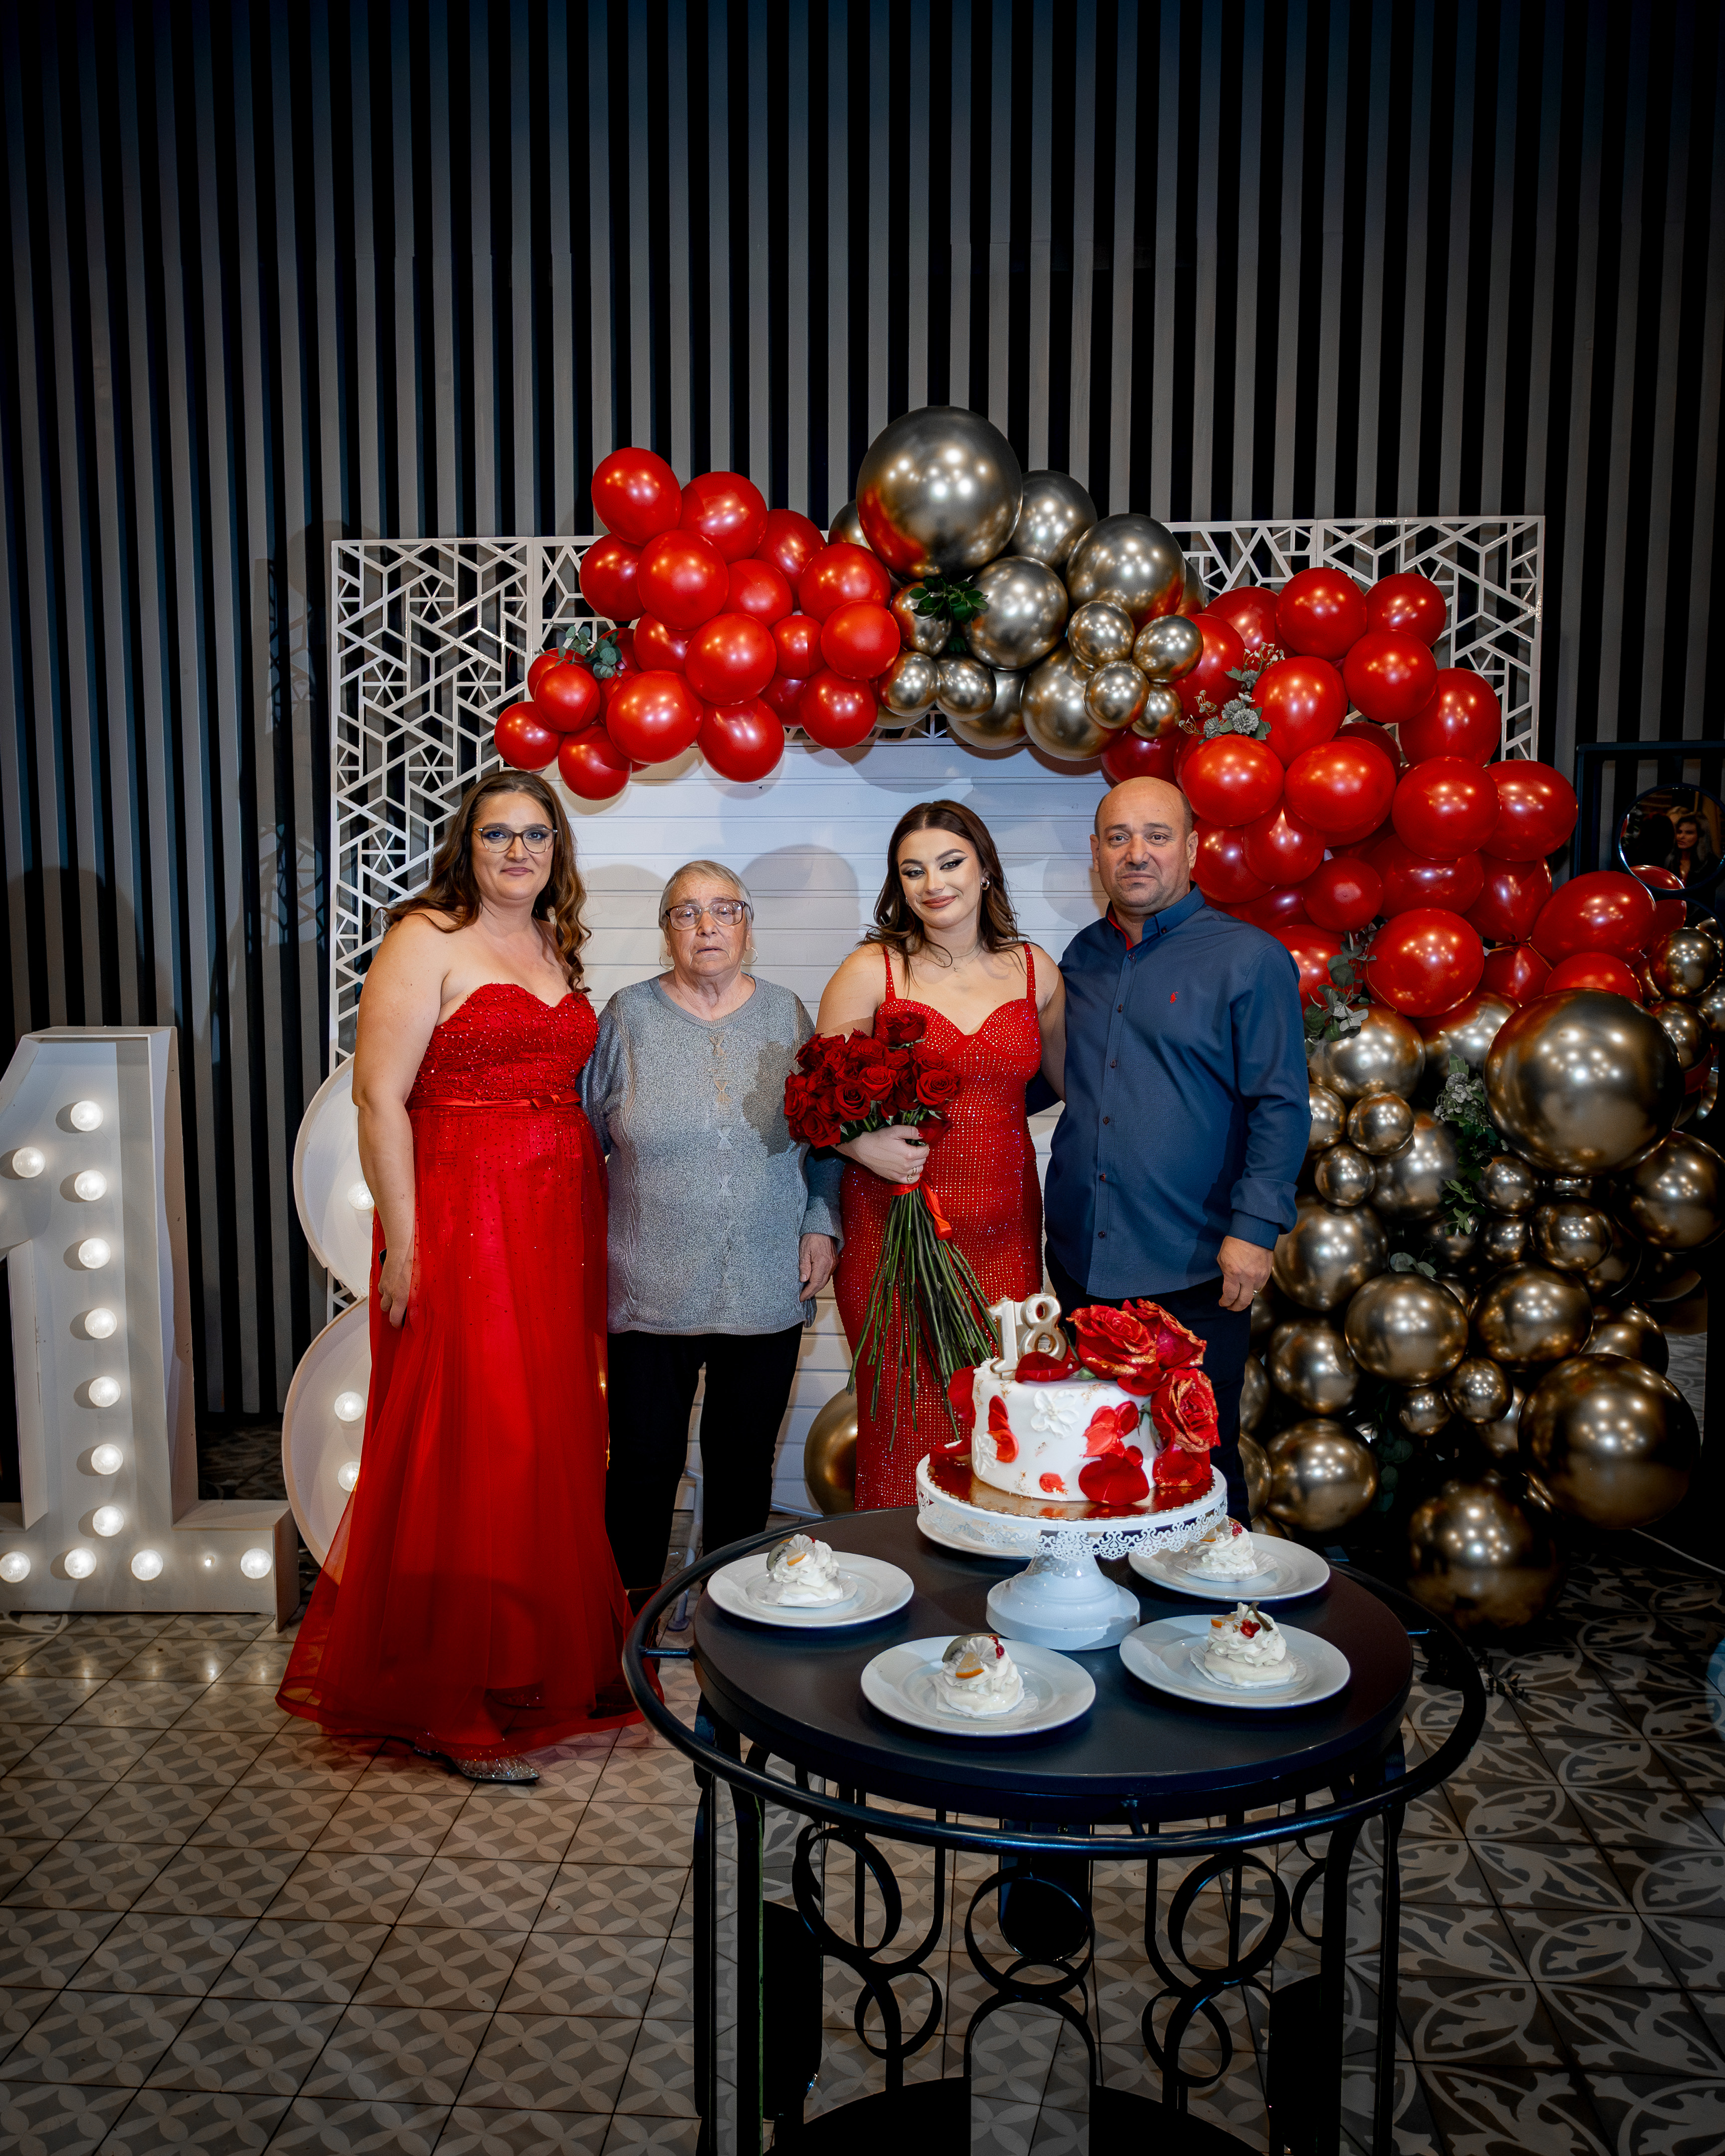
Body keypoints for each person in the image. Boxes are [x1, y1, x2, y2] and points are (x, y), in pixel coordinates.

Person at [278, 770, 635, 1783]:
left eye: (536, 834)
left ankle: (521, 1663)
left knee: (543, 1439)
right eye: (497, 834)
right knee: (475, 1438)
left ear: (557, 849)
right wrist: (407, 1241)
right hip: (462, 1216)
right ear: (466, 846)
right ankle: (447, 1693)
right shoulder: (424, 938)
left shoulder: (553, 943)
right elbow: (378, 1099)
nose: (518, 852)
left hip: (552, 1220)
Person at [1039, 776, 1308, 1520]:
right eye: (1118, 837)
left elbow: (1281, 1104)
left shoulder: (1248, 958)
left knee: (1200, 1471)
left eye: (1156, 835)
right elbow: (1044, 1078)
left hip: (1195, 1268)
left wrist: (1254, 1230)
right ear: (1096, 853)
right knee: (1095, 1465)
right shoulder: (1080, 958)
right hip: (1081, 1264)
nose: (1137, 853)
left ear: (1191, 848)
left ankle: (1217, 1598)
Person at [585, 861, 841, 1602]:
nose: (706, 927)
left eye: (725, 910)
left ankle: (729, 1614)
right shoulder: (627, 1017)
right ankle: (632, 1616)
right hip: (647, 1290)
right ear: (665, 931)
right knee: (641, 1466)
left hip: (765, 1283)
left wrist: (821, 1223)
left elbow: (826, 1136)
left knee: (743, 1466)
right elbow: (580, 1143)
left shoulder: (788, 1014)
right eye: (686, 912)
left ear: (747, 926)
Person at [818, 801, 1064, 1508]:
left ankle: (989, 1573)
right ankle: (900, 1572)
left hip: (1006, 1236)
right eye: (913, 870)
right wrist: (862, 1144)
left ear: (984, 869)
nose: (934, 883)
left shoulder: (1036, 971)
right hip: (897, 1234)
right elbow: (813, 1101)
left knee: (999, 1420)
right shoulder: (873, 969)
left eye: (951, 863)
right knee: (905, 1429)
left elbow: (1074, 1085)